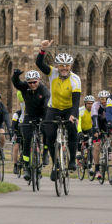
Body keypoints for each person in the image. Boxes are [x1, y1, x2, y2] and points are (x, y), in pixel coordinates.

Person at [36, 40, 81, 181]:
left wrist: (73, 115)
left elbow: (76, 101)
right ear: (58, 66)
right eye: (61, 66)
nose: (64, 68)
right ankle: (55, 164)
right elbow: (39, 64)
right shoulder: (53, 73)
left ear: (70, 66)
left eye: (67, 66)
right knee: (49, 134)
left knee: (73, 130)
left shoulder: (75, 80)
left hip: (69, 108)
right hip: (54, 108)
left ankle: (72, 159)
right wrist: (43, 49)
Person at [11, 69, 50, 181]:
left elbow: (47, 102)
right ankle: (27, 167)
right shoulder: (25, 87)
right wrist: (15, 76)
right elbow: (16, 83)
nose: (32, 84)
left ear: (39, 80)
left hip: (42, 114)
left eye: (35, 82)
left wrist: (46, 118)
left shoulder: (43, 89)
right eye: (30, 82)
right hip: (29, 115)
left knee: (47, 131)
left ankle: (46, 152)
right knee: (27, 140)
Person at [90, 90, 110, 180]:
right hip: (97, 125)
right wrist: (96, 129)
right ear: (99, 99)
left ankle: (109, 152)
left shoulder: (111, 105)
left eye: (106, 99)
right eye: (102, 99)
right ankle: (97, 169)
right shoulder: (96, 105)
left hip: (108, 125)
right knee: (97, 146)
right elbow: (94, 118)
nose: (104, 101)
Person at [77, 95, 95, 175]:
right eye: (88, 103)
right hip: (81, 128)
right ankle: (78, 152)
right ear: (85, 104)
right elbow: (79, 122)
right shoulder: (81, 110)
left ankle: (90, 167)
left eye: (91, 103)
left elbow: (95, 122)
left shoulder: (94, 111)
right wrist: (79, 131)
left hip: (89, 130)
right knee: (79, 138)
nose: (90, 105)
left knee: (90, 148)